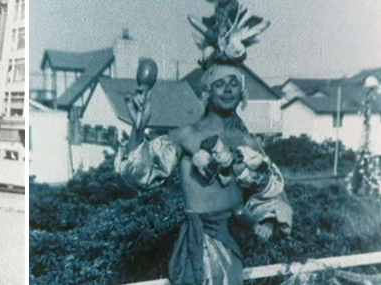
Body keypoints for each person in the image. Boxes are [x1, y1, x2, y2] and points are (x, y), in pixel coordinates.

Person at [114, 64, 292, 285]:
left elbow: (271, 189)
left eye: (233, 83)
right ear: (207, 92)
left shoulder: (248, 142)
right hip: (202, 243)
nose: (227, 90)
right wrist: (138, 128)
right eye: (220, 84)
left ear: (242, 93)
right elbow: (139, 173)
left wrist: (269, 220)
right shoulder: (187, 135)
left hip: (235, 239)